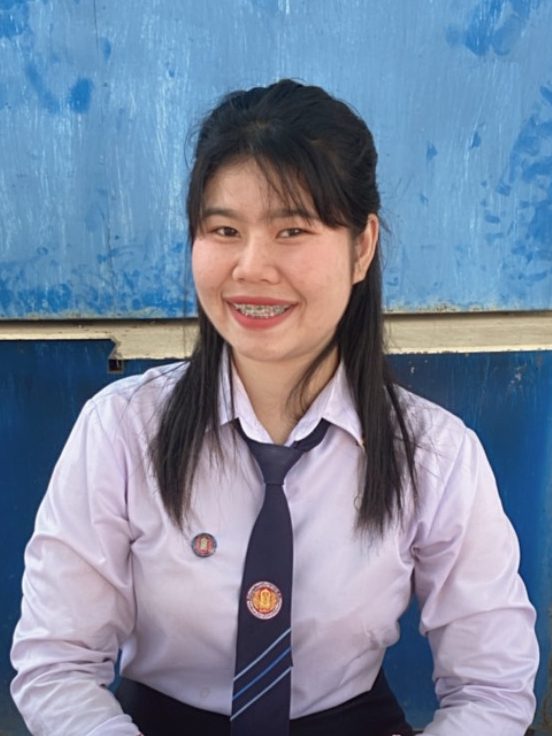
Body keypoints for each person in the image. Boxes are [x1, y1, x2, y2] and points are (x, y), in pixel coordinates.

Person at [11, 79, 538, 736]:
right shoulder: (121, 431)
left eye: (292, 229)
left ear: (362, 246)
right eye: (224, 230)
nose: (251, 267)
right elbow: (57, 664)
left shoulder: (436, 456)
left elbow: (491, 687)